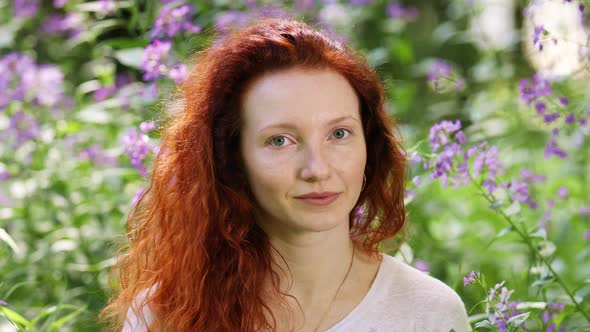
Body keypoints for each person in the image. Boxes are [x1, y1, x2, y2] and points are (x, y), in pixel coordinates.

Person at [100, 17, 472, 332]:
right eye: (280, 140)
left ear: (369, 145)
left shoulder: (428, 313)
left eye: (339, 134)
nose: (317, 169)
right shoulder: (164, 315)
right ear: (232, 158)